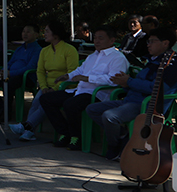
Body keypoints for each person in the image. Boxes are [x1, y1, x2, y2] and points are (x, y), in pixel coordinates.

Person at [86, 28, 177, 160]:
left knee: (110, 116)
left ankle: (115, 146)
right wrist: (125, 84)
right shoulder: (151, 60)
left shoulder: (172, 64)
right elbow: (138, 84)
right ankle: (123, 135)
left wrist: (129, 81)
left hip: (145, 104)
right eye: (148, 41)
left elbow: (157, 89)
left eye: (152, 41)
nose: (148, 44)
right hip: (130, 99)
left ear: (165, 43)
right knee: (92, 109)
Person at [39, 26, 129, 150]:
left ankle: (76, 137)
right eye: (95, 38)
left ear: (112, 40)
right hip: (79, 90)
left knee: (70, 105)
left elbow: (113, 80)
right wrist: (67, 76)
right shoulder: (93, 56)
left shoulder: (117, 58)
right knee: (46, 99)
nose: (96, 41)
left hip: (97, 94)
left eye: (101, 38)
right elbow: (80, 70)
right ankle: (65, 132)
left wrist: (88, 78)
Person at [10, 20, 79, 140]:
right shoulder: (45, 51)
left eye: (47, 31)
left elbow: (71, 73)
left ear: (56, 34)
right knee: (36, 101)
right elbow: (40, 71)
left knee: (43, 101)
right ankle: (29, 130)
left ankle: (27, 127)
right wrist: (44, 87)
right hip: (47, 86)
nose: (44, 34)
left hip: (65, 87)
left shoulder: (69, 50)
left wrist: (55, 88)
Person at [0, 24, 41, 117]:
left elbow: (29, 67)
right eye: (23, 31)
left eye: (28, 32)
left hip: (25, 77)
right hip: (10, 74)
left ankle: (6, 113)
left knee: (8, 83)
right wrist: (4, 70)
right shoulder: (20, 48)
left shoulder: (38, 50)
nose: (25, 34)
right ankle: (0, 107)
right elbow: (10, 62)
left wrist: (10, 73)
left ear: (36, 34)